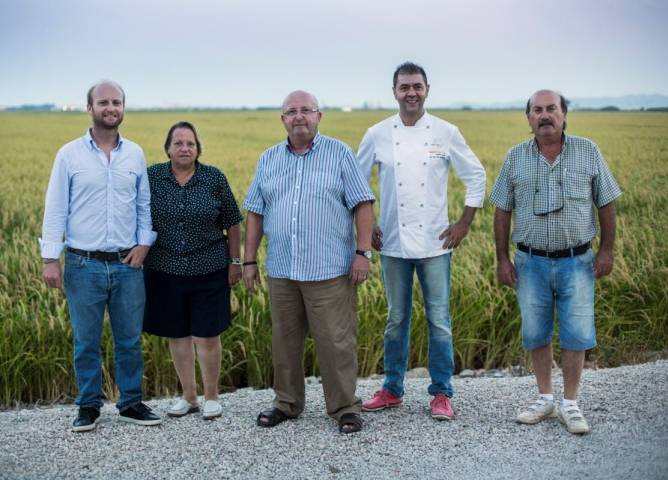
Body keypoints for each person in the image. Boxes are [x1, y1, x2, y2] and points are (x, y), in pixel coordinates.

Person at [357, 62, 486, 419]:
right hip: (394, 246)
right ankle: (392, 388)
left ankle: (442, 392)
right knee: (396, 319)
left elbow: (476, 175)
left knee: (439, 321)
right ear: (394, 91)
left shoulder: (446, 132)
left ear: (427, 89)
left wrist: (464, 222)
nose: (411, 93)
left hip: (435, 245)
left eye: (417, 86)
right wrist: (367, 229)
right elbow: (354, 182)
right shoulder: (378, 133)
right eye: (404, 87)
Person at [242, 90, 375, 434]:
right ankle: (286, 404)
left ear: (319, 116)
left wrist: (363, 253)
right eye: (292, 111)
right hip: (283, 269)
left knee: (336, 342)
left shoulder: (340, 154)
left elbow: (362, 204)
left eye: (306, 110)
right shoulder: (269, 158)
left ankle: (345, 407)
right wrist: (248, 261)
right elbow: (255, 211)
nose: (299, 116)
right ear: (282, 119)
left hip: (329, 270)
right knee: (285, 341)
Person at [490, 89, 622, 434]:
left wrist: (606, 250)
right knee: (535, 331)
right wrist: (502, 258)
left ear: (564, 114)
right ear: (529, 117)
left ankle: (571, 403)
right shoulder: (515, 157)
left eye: (551, 109)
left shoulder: (588, 151)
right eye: (537, 110)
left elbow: (606, 203)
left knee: (577, 332)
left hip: (577, 261)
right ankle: (545, 398)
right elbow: (502, 209)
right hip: (530, 261)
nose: (544, 115)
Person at [40, 80, 161, 432]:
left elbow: (143, 205)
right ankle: (88, 406)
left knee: (129, 340)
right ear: (89, 108)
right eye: (103, 102)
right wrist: (51, 257)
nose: (111, 107)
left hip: (127, 265)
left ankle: (131, 403)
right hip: (83, 264)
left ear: (123, 107)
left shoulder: (135, 154)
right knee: (86, 341)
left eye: (117, 102)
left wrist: (144, 244)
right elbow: (55, 208)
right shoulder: (69, 154)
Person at [143, 121, 243, 420]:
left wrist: (235, 262)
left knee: (208, 335)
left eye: (190, 143)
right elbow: (137, 216)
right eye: (178, 143)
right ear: (168, 148)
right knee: (177, 335)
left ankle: (211, 396)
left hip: (209, 268)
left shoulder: (213, 178)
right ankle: (189, 397)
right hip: (164, 269)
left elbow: (233, 221)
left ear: (198, 148)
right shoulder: (152, 177)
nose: (184, 148)